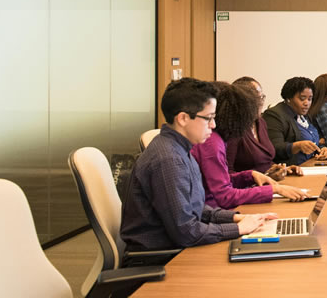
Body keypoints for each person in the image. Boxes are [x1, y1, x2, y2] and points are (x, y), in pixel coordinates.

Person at [120, 78, 275, 251]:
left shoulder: (181, 149)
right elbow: (187, 231)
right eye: (208, 118)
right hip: (163, 257)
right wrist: (238, 229)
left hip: (178, 247)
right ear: (183, 118)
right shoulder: (169, 160)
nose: (213, 125)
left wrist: (236, 218)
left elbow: (196, 208)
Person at [191, 82, 307, 209]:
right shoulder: (212, 142)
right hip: (218, 212)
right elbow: (224, 196)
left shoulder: (217, 138)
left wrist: (250, 175)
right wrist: (274, 190)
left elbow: (221, 179)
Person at [230, 76, 300, 180]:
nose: (262, 102)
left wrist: (281, 169)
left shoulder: (260, 122)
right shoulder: (233, 128)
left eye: (262, 97)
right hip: (247, 191)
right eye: (257, 98)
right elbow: (226, 173)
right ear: (242, 100)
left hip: (267, 185)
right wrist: (255, 178)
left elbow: (264, 161)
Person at [264, 77, 327, 165]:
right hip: (290, 169)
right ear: (288, 98)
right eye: (302, 98)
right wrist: (296, 146)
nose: (307, 103)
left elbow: (312, 140)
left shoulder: (305, 114)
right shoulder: (274, 115)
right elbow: (273, 148)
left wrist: (322, 149)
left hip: (310, 164)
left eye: (310, 99)